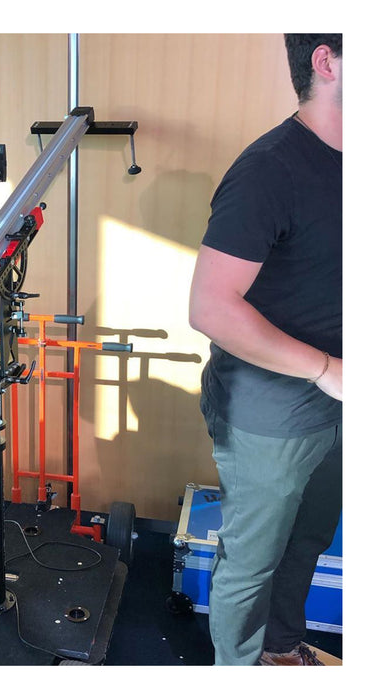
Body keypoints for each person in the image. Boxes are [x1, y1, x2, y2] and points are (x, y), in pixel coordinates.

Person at [188, 34, 342, 666]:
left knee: (308, 538)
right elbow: (210, 307)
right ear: (327, 62)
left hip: (339, 401)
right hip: (272, 410)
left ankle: (280, 650)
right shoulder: (269, 170)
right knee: (252, 562)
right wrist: (327, 370)